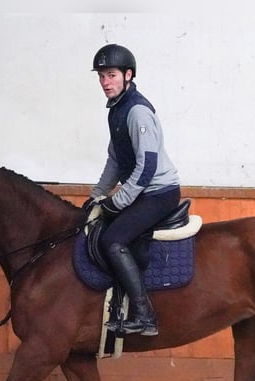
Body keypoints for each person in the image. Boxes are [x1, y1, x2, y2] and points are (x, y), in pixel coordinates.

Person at [83, 44, 181, 337]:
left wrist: (120, 200)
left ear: (128, 75)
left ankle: (144, 315)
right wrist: (96, 195)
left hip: (159, 192)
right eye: (101, 76)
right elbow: (115, 159)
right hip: (142, 191)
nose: (105, 82)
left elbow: (147, 166)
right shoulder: (116, 111)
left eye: (111, 75)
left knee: (113, 240)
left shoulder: (137, 111)